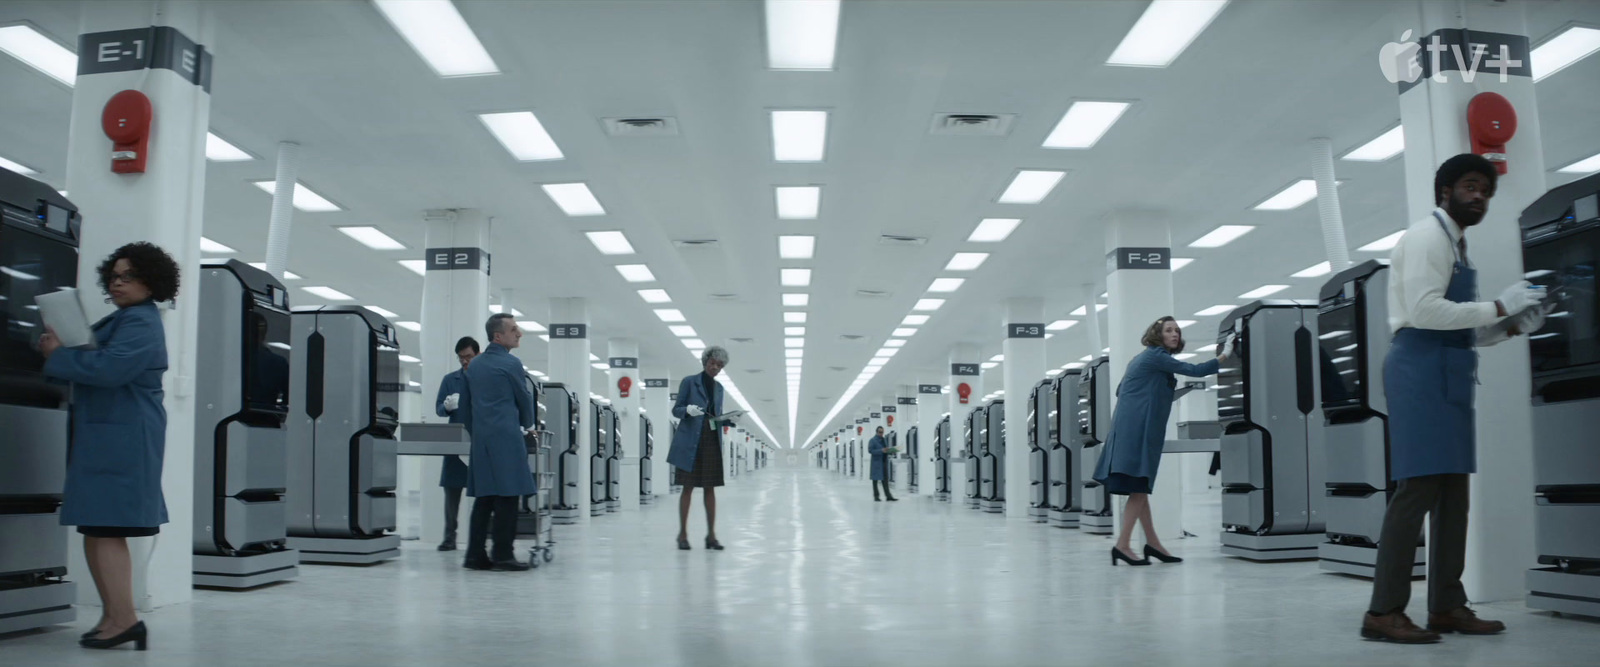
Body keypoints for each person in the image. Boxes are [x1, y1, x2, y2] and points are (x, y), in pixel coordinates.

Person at [1360, 154, 1548, 644]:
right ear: (1445, 190)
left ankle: (1446, 604)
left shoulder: (1457, 246)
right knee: (1416, 492)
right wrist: (1500, 304)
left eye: (1485, 190)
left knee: (1452, 497)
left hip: (1447, 369)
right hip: (1420, 370)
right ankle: (1383, 611)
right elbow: (1423, 311)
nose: (1479, 196)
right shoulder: (1426, 238)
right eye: (1470, 186)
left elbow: (1459, 325)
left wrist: (1505, 327)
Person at [37, 242, 180, 650]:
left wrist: (59, 356)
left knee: (108, 528)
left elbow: (112, 369)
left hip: (124, 437)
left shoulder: (140, 321)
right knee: (97, 528)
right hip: (110, 434)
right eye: (114, 276)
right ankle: (114, 616)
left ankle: (125, 619)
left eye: (128, 276)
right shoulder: (126, 318)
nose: (118, 283)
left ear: (151, 281)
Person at [1093, 316, 1232, 567]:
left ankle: (1153, 544)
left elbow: (1121, 390)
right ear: (1158, 335)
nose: (1175, 334)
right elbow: (1196, 370)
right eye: (1169, 330)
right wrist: (1226, 354)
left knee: (1140, 488)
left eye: (1177, 330)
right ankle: (1122, 545)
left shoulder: (1145, 359)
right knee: (1138, 486)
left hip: (1133, 429)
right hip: (1137, 431)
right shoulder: (1155, 356)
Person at [456, 314, 537, 572]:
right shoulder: (511, 363)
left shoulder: (474, 366)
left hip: (481, 440)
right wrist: (529, 424)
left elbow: (465, 407)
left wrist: (477, 431)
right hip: (506, 437)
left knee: (484, 497)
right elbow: (523, 398)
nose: (519, 333)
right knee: (508, 496)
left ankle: (474, 556)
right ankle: (503, 556)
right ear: (498, 336)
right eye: (514, 329)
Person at [668, 346, 735, 550]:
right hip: (691, 441)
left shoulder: (719, 388)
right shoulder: (690, 381)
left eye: (720, 365)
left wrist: (725, 421)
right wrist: (687, 410)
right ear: (705, 362)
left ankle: (711, 536)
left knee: (710, 489)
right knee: (687, 488)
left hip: (711, 440)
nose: (715, 367)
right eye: (713, 363)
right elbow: (676, 410)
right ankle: (682, 535)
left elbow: (714, 416)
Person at [433, 336, 479, 551]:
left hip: (479, 440)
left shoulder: (485, 378)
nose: (464, 361)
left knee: (482, 492)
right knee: (452, 491)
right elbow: (439, 408)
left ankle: (478, 537)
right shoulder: (450, 380)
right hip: (456, 441)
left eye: (468, 356)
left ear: (477, 354)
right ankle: (449, 537)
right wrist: (447, 407)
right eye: (461, 358)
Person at [869, 426, 897, 501]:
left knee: (885, 480)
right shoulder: (872, 440)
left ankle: (888, 496)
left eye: (882, 432)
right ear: (877, 432)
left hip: (884, 462)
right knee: (875, 480)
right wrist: (881, 450)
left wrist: (890, 451)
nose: (881, 434)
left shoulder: (884, 440)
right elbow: (871, 451)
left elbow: (885, 449)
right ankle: (876, 496)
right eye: (880, 432)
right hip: (876, 463)